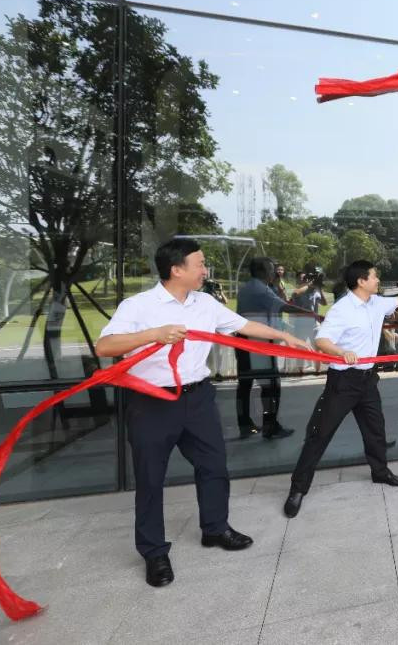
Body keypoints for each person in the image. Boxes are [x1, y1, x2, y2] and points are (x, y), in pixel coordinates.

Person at [96, 238, 312, 587]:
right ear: (176, 269)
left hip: (198, 399)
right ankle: (154, 552)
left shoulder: (205, 303)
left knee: (213, 466)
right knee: (150, 479)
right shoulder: (138, 306)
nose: (205, 270)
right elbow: (105, 346)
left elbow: (242, 326)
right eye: (199, 264)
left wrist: (283, 337)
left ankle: (215, 528)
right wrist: (154, 334)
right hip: (152, 403)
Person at [283, 260, 398, 518]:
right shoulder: (342, 309)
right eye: (374, 276)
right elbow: (322, 340)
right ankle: (298, 489)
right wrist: (342, 352)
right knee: (320, 434)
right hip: (343, 382)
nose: (377, 280)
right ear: (361, 281)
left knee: (375, 429)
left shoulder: (376, 303)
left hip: (367, 380)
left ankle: (380, 472)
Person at [235, 257, 321, 439]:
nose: (274, 272)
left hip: (245, 340)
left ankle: (245, 424)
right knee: (271, 385)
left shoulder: (248, 288)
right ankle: (270, 426)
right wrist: (313, 314)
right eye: (271, 269)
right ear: (262, 271)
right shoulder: (260, 290)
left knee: (245, 384)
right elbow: (285, 307)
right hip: (258, 342)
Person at [291, 266, 328, 372]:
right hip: (301, 323)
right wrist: (309, 285)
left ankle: (317, 371)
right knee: (301, 348)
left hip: (314, 324)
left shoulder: (315, 290)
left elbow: (324, 303)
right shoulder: (300, 290)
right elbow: (294, 294)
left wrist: (319, 288)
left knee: (317, 347)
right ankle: (300, 371)